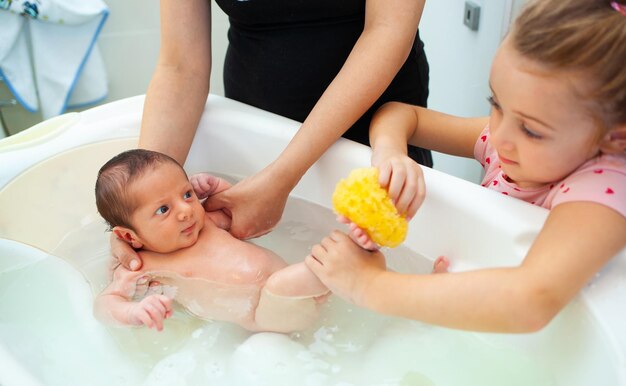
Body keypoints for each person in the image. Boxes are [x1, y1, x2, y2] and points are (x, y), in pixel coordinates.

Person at [305, 0, 626, 333]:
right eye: (496, 105)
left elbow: (531, 301)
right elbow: (401, 114)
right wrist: (391, 154)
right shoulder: (507, 142)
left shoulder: (603, 191)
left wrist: (368, 286)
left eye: (531, 130)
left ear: (616, 137)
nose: (500, 136)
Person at [135, 1, 429, 249]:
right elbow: (180, 67)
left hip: (374, 128)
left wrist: (281, 177)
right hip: (256, 123)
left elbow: (387, 31)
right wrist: (136, 205)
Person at [94, 149, 329, 333]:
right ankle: (332, 270)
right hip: (264, 316)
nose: (185, 210)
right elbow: (104, 306)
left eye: (187, 194)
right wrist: (134, 312)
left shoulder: (204, 222)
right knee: (283, 284)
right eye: (164, 209)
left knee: (285, 283)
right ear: (128, 236)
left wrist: (221, 189)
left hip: (291, 294)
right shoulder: (141, 266)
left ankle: (328, 274)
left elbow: (241, 216)